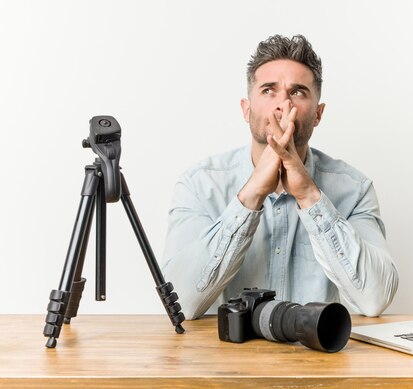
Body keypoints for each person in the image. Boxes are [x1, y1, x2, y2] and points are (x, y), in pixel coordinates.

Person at [162, 34, 398, 320]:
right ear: (246, 110)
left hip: (317, 359)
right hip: (224, 361)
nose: (282, 104)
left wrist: (310, 196)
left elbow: (375, 300)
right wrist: (250, 196)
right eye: (268, 90)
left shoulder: (354, 189)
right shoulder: (200, 185)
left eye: (297, 92)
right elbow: (181, 303)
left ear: (318, 114)